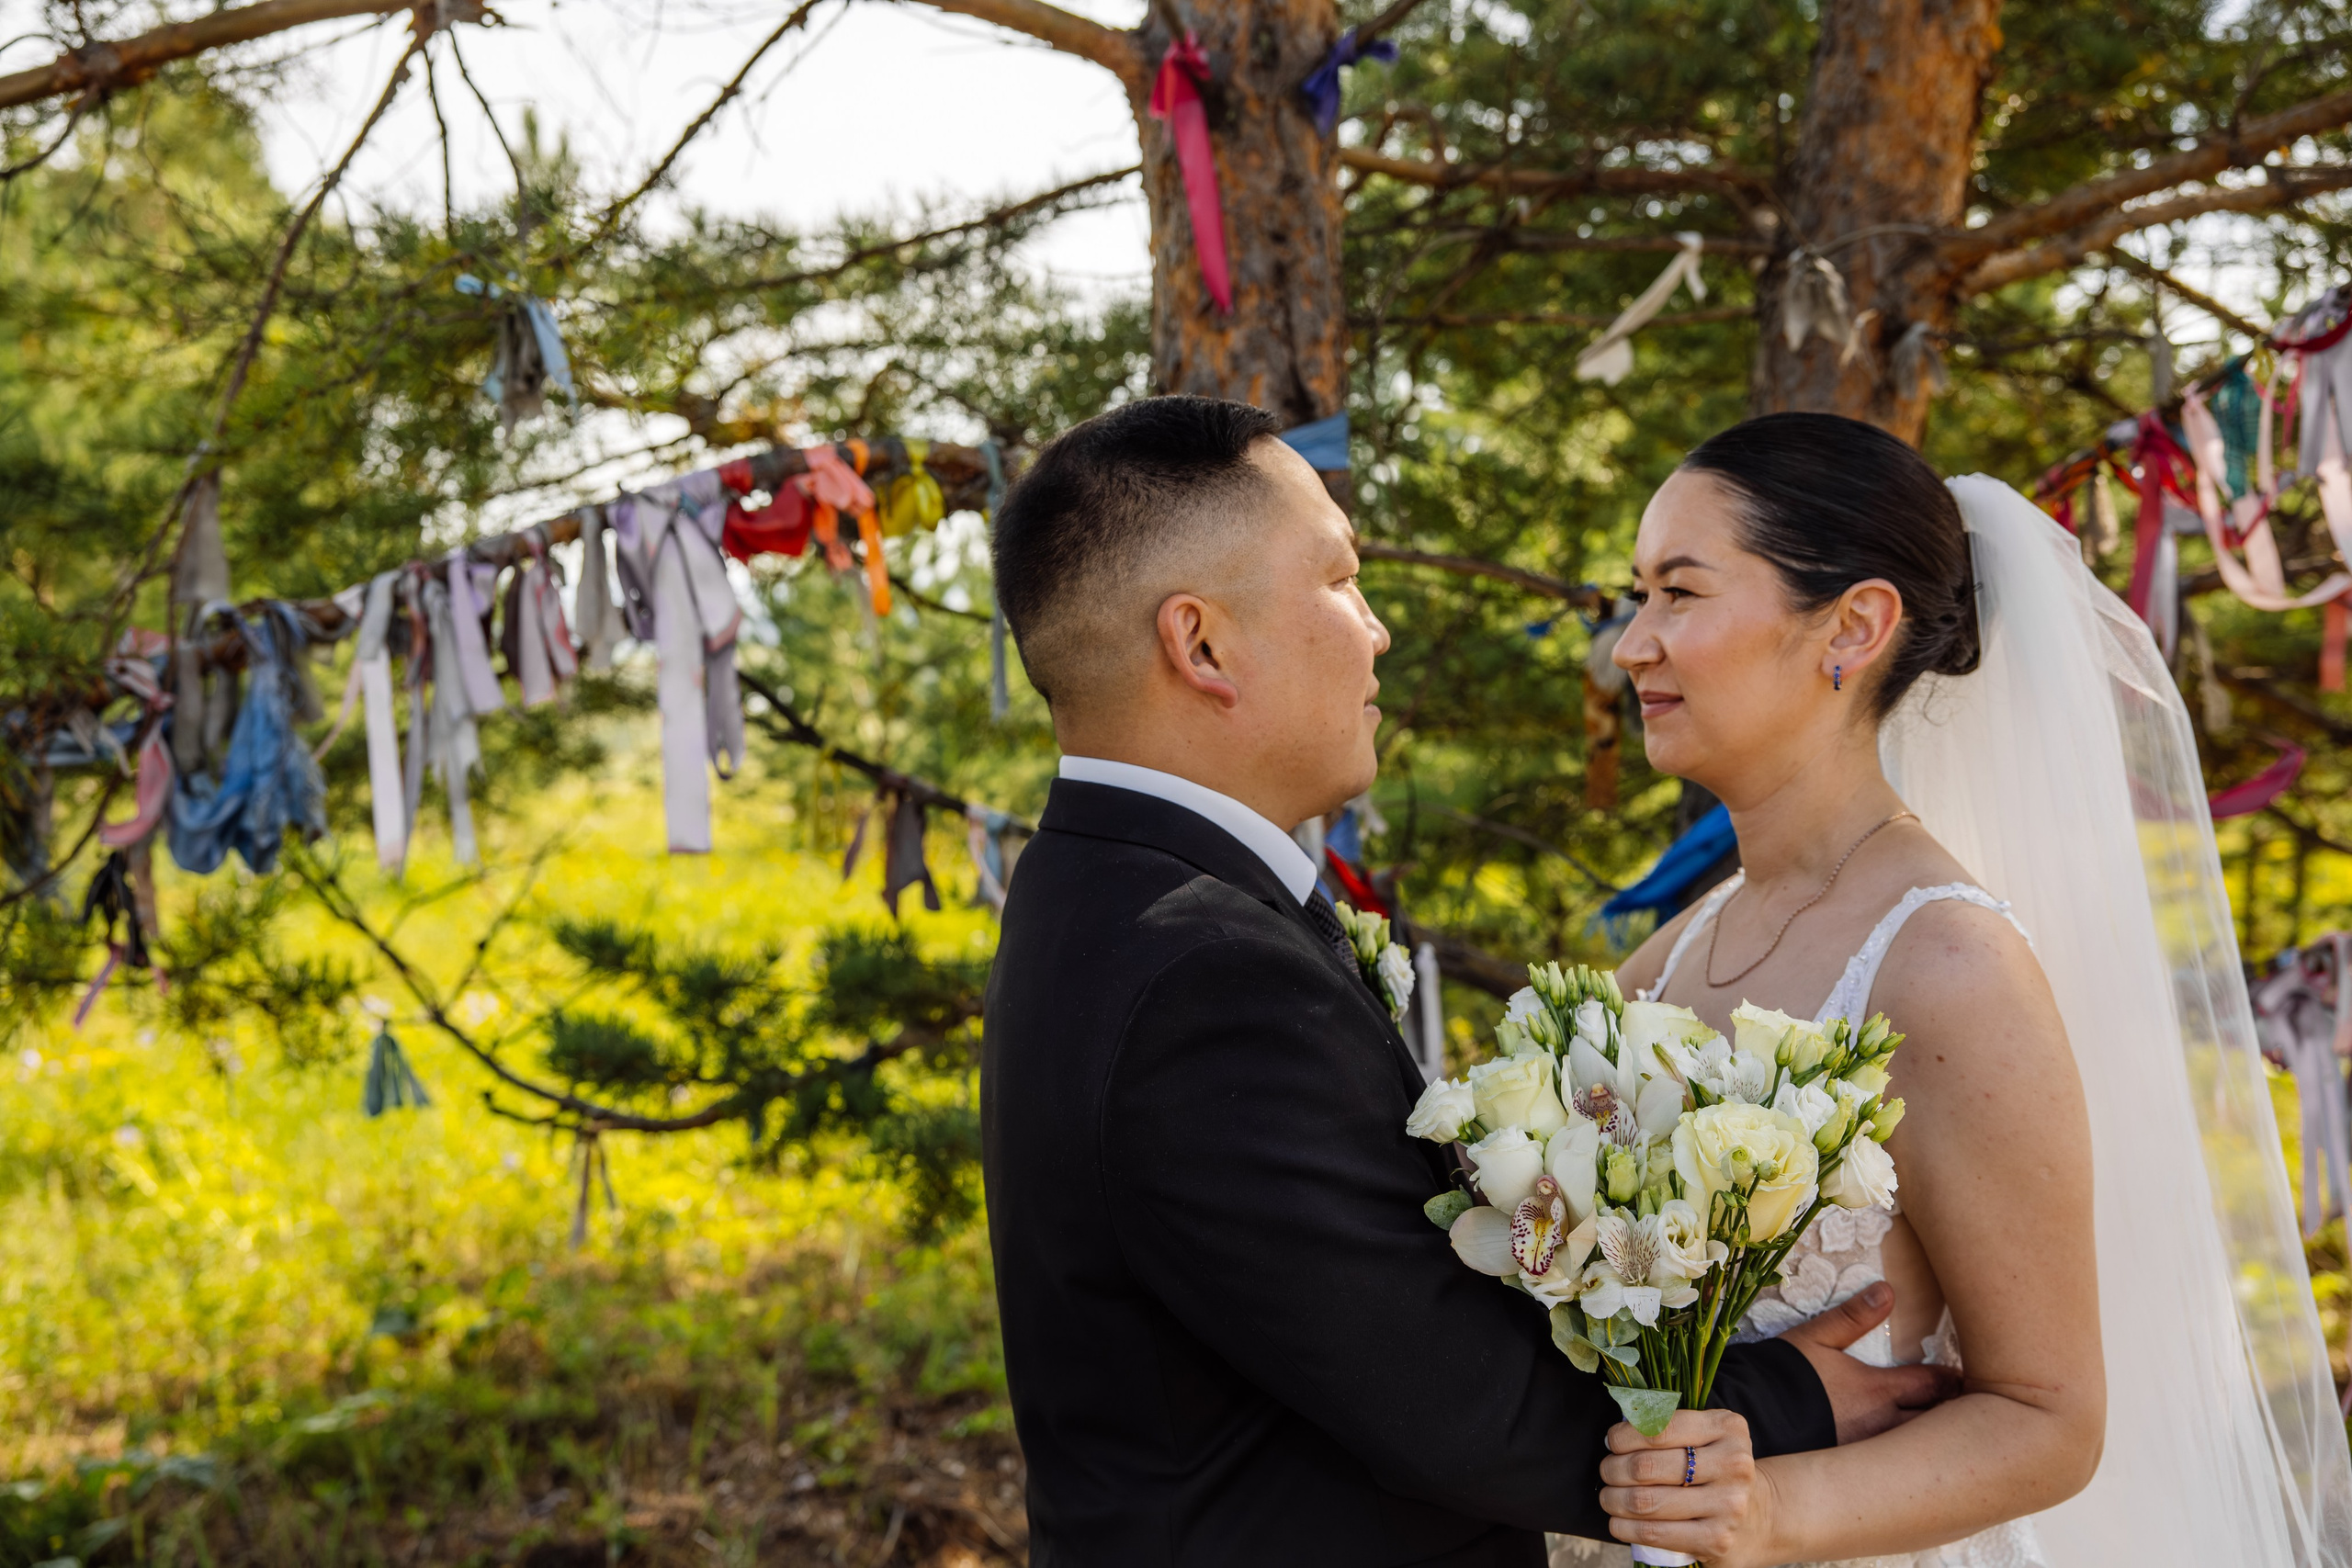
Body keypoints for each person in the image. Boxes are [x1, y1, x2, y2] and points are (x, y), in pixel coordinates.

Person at [979, 396, 1955, 1568]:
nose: (1376, 631)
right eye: (1340, 582)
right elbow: (1457, 1405)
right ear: (1201, 645)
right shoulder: (1201, 967)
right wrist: (1791, 1400)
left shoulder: (1093, 894)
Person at [1584, 412, 2352, 1568]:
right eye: (1636, 597)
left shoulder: (1945, 966)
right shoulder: (1670, 956)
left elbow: (2047, 1420)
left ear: (1852, 626)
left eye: (1679, 594)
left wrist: (1771, 1513)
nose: (1631, 646)